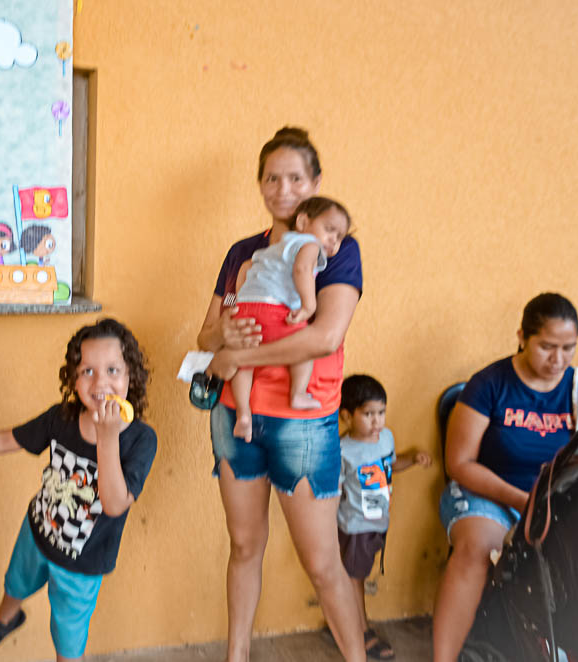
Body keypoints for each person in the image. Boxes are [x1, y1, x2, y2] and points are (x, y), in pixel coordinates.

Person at [198, 126, 366, 662]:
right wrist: (223, 339)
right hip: (236, 414)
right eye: (272, 177)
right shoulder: (244, 251)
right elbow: (206, 335)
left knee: (321, 563)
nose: (282, 187)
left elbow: (324, 337)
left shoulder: (336, 247)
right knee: (244, 545)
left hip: (303, 421)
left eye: (295, 177)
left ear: (314, 183)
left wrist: (235, 357)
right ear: (260, 185)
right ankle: (237, 654)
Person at [0, 318, 157, 662]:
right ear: (74, 378)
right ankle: (6, 618)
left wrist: (107, 439)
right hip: (36, 531)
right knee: (15, 584)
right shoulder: (62, 417)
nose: (101, 382)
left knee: (68, 642)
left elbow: (114, 503)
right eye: (87, 371)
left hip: (81, 567)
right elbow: (10, 438)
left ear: (130, 377)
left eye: (112, 370)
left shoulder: (140, 439)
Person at [432, 292, 578, 662]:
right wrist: (521, 500)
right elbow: (460, 464)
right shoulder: (490, 384)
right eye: (547, 346)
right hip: (488, 492)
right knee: (475, 550)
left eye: (568, 348)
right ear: (522, 337)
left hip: (554, 498)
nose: (557, 359)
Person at [229, 196, 351, 442]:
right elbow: (302, 270)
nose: (332, 241)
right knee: (302, 347)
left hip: (247, 306)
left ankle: (243, 414)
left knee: (244, 362)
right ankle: (298, 393)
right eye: (329, 230)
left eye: (339, 237)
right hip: (275, 310)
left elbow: (245, 270)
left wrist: (237, 305)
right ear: (303, 222)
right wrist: (309, 305)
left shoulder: (273, 248)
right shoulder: (309, 244)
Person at [336, 375, 431, 660]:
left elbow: (389, 464)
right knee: (355, 578)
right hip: (354, 526)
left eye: (381, 413)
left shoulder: (386, 437)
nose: (377, 421)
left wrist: (412, 458)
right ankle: (360, 631)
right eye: (368, 414)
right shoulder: (342, 450)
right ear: (346, 416)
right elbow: (333, 490)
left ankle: (347, 623)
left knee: (358, 576)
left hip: (378, 523)